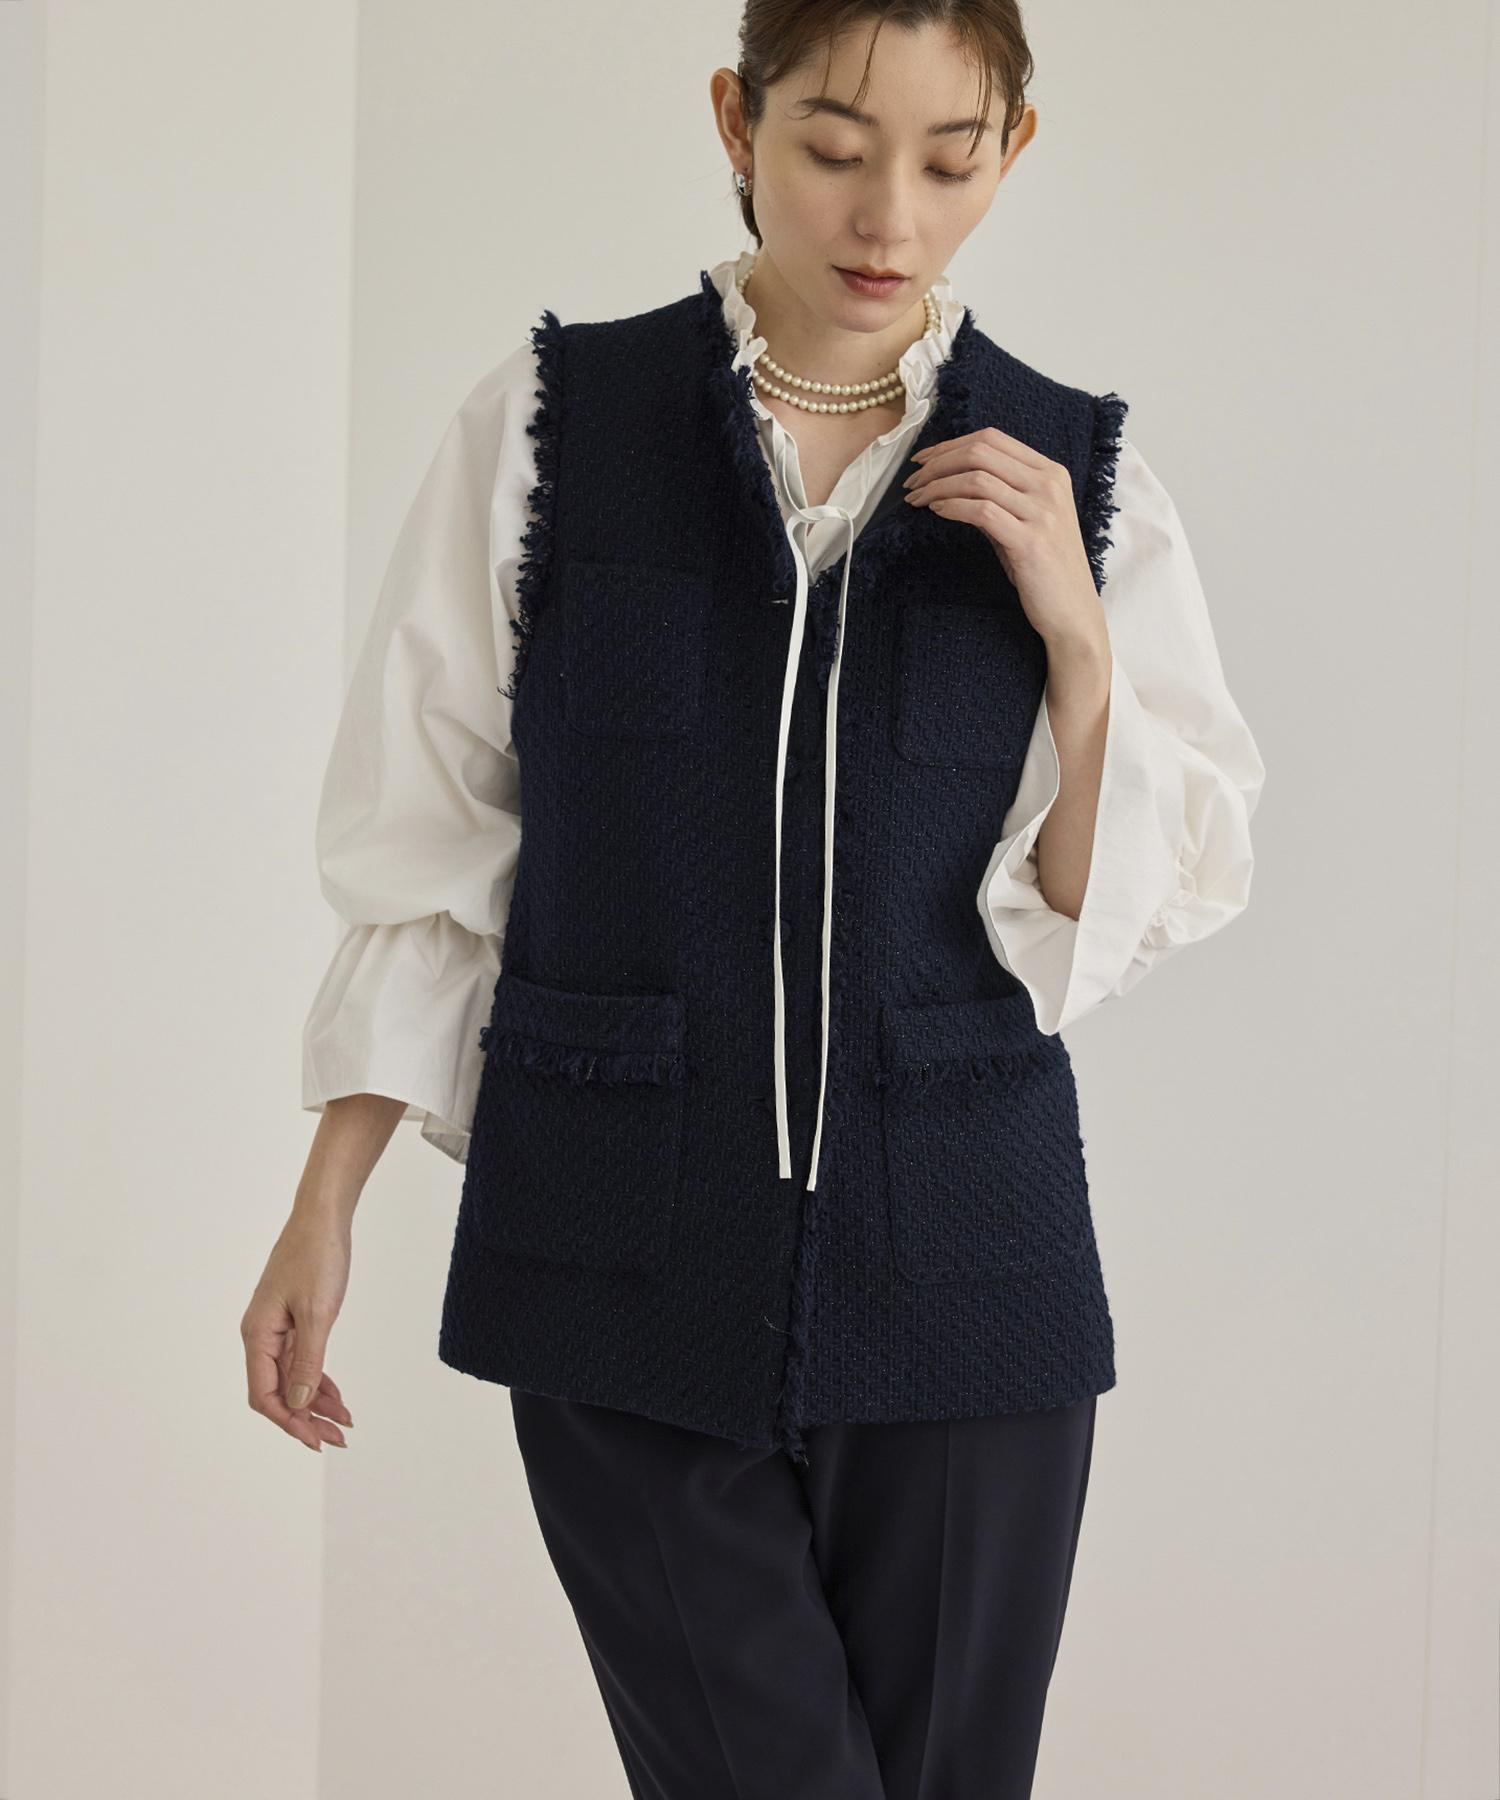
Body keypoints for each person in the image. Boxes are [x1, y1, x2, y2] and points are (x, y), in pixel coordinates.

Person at [242, 4, 1265, 1794]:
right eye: (834, 149)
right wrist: (324, 1201)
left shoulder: (1078, 477)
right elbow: (432, 844)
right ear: (737, 119)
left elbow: (1092, 924)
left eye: (948, 162)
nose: (888, 216)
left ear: (1013, 151)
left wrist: (1081, 647)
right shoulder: (555, 427)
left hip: (966, 1287)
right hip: (615, 1265)